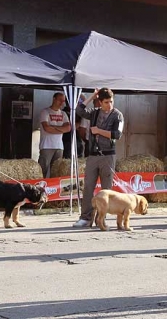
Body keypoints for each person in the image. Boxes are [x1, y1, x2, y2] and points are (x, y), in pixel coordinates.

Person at [73, 88, 124, 228]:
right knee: (88, 186)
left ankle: (101, 218)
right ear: (100, 102)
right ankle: (85, 218)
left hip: (108, 155)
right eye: (106, 102)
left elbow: (117, 134)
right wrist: (92, 96)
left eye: (111, 101)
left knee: (106, 189)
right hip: (93, 155)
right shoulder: (94, 113)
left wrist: (98, 131)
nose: (109, 105)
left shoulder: (117, 115)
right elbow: (79, 110)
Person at [38, 92, 70, 178]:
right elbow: (46, 128)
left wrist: (53, 128)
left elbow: (68, 128)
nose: (61, 103)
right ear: (54, 99)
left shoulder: (63, 114)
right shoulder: (45, 112)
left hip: (59, 146)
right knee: (42, 170)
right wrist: (60, 128)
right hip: (46, 145)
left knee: (56, 171)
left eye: (63, 101)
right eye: (60, 100)